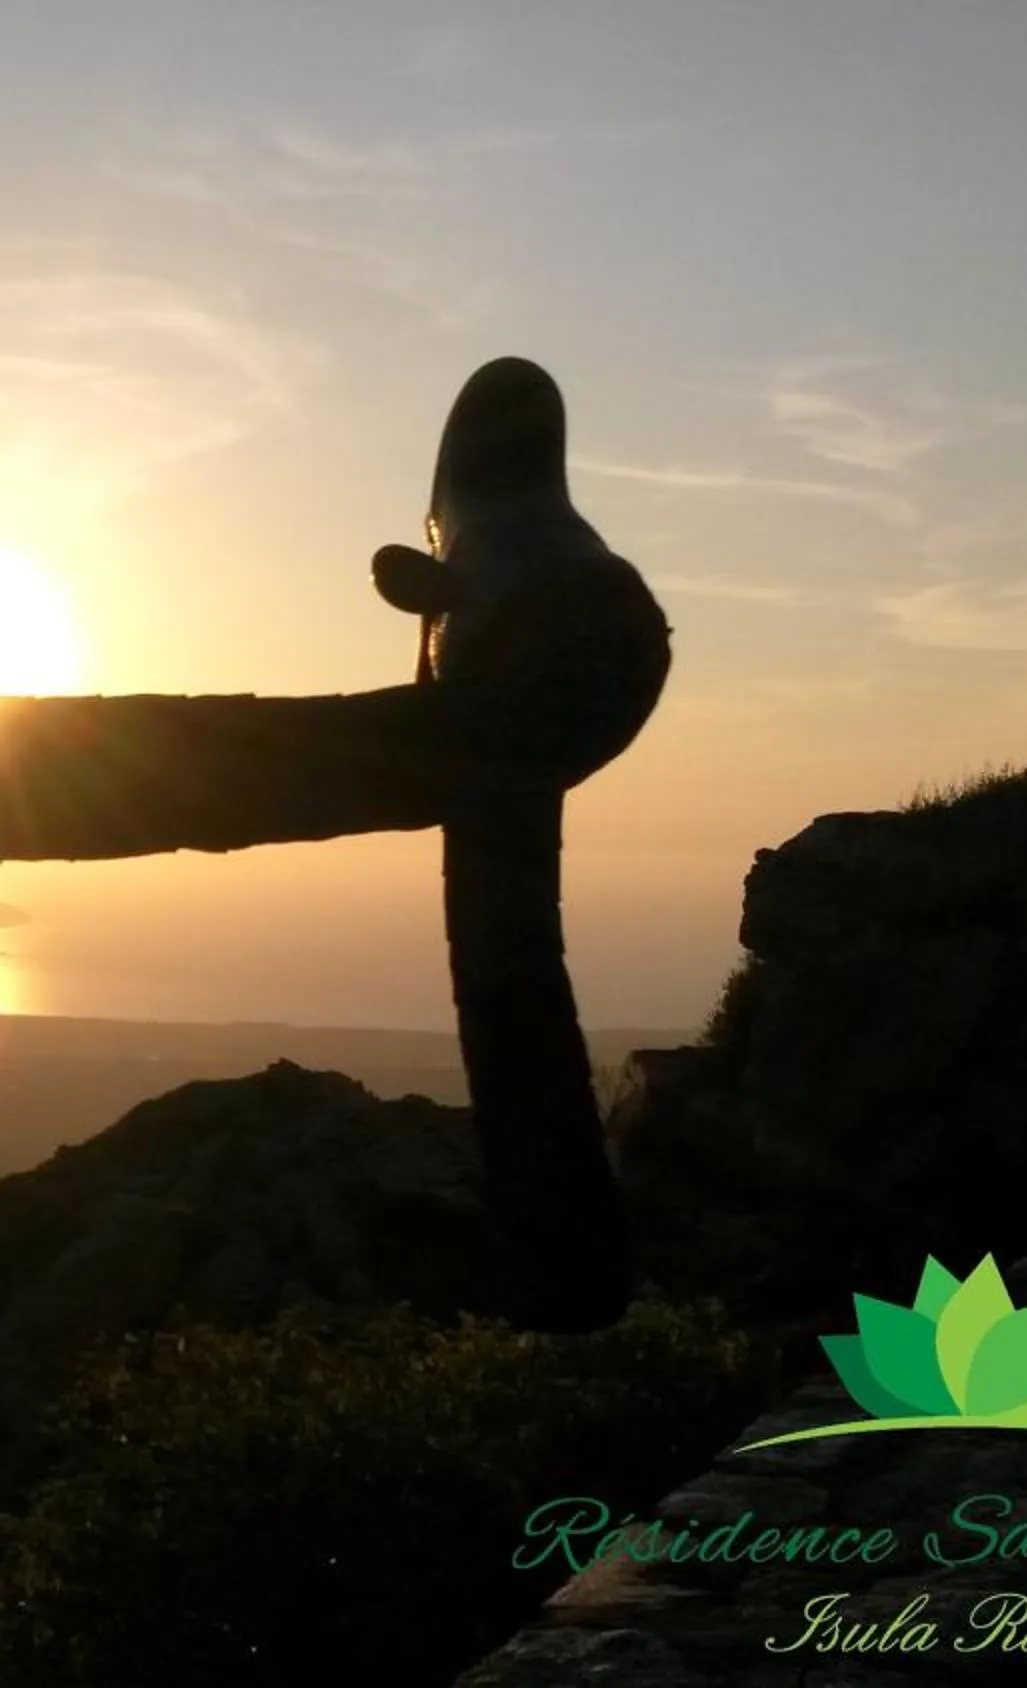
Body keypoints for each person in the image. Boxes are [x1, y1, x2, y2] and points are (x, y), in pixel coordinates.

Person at [372, 356, 672, 1333]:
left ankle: (572, 1303)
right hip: (619, 628)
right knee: (518, 959)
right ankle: (584, 1289)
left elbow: (424, 612)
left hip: (508, 655)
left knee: (504, 965)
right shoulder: (567, 548)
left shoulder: (473, 570)